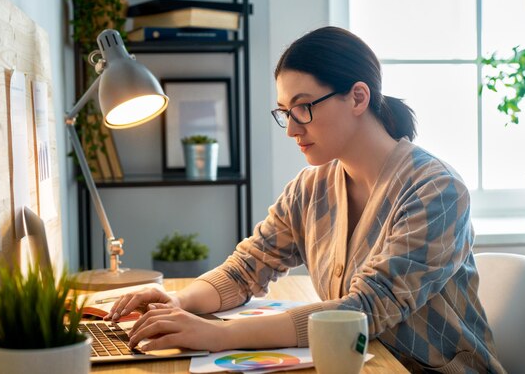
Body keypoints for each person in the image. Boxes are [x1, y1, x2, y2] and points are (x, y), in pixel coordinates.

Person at [104, 26, 504, 373]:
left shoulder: (436, 191)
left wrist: (220, 335)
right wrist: (177, 300)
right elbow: (247, 268)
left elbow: (363, 311)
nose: (292, 129)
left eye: (303, 108)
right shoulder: (310, 188)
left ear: (358, 97)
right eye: (284, 112)